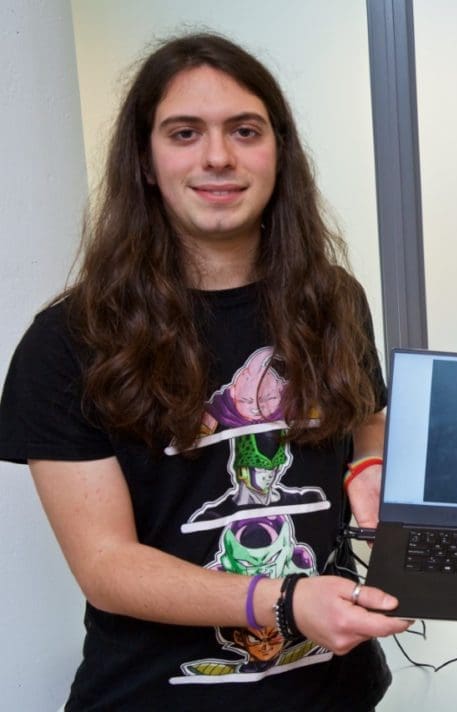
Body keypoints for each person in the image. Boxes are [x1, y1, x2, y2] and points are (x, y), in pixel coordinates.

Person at [0, 33, 409, 709]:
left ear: (279, 152)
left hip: (333, 692)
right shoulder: (68, 341)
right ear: (145, 160)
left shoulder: (332, 299)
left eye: (244, 131)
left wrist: (369, 468)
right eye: (185, 133)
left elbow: (366, 416)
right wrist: (285, 601)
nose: (218, 156)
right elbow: (106, 566)